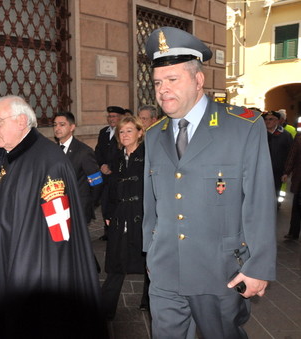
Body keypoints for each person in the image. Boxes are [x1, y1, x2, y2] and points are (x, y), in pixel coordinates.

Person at [143, 27, 277, 338]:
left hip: (220, 273)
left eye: (172, 80)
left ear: (198, 79)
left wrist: (258, 266)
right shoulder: (154, 135)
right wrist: (150, 251)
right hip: (165, 272)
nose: (163, 89)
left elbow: (258, 202)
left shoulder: (242, 127)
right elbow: (153, 201)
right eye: (158, 82)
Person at [0, 95, 106, 338]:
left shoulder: (49, 162)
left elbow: (58, 236)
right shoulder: (11, 157)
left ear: (21, 121)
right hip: (11, 263)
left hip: (33, 272)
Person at [101, 114, 148, 319]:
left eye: (130, 130)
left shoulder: (149, 156)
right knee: (115, 262)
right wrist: (108, 214)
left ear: (140, 132)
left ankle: (149, 303)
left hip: (142, 216)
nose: (125, 134)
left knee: (149, 264)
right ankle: (106, 308)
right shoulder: (116, 158)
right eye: (122, 131)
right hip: (120, 216)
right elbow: (110, 189)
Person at [53, 111, 103, 222]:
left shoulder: (83, 151)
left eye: (62, 124)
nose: (57, 128)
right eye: (55, 124)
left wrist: (89, 204)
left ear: (72, 127)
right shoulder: (53, 150)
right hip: (58, 208)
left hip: (78, 208)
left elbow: (96, 182)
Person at [95, 106, 126, 240]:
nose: (111, 119)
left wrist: (111, 167)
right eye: (110, 116)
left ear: (120, 118)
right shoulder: (104, 132)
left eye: (114, 116)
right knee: (105, 202)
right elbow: (98, 151)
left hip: (116, 174)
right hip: (104, 174)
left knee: (116, 201)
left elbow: (122, 154)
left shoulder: (123, 132)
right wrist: (101, 164)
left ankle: (116, 229)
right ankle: (107, 230)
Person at [263, 110, 293, 202]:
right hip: (262, 171)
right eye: (266, 119)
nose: (268, 121)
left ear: (277, 121)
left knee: (275, 195)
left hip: (277, 172)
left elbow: (290, 155)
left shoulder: (285, 135)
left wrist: (286, 172)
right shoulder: (259, 134)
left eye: (271, 119)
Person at [282, 133, 301, 240]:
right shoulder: (299, 137)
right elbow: (292, 156)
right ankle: (293, 232)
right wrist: (286, 172)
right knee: (297, 207)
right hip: (299, 179)